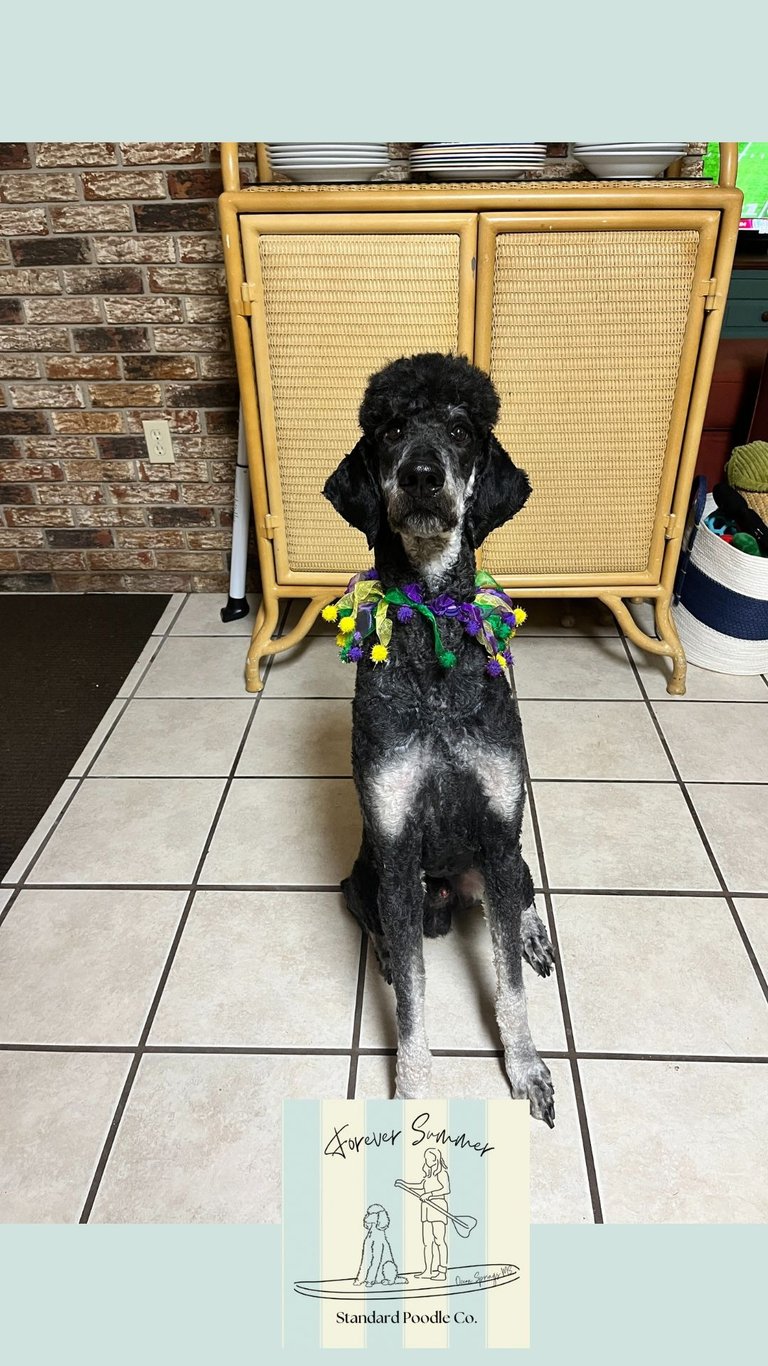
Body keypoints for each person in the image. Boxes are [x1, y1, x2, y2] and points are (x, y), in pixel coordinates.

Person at [402, 1148, 450, 1280]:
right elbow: (420, 1185)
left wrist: (430, 1194)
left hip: (438, 1207)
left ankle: (442, 1272)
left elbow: (446, 1189)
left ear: (435, 1159)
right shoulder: (428, 1174)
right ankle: (428, 1270)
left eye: (428, 1158)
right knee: (427, 1242)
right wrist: (404, 1184)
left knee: (439, 1240)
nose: (426, 1160)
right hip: (426, 1209)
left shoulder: (442, 1173)